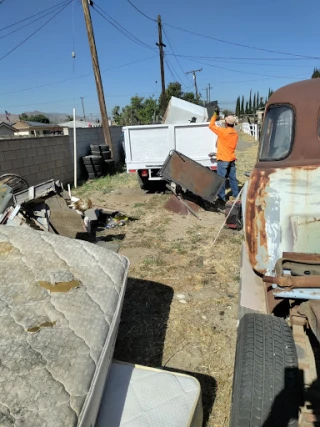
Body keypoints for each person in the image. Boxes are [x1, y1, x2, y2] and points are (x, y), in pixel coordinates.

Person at [208, 109, 239, 206]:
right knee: (233, 179)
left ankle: (222, 199)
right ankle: (236, 196)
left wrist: (215, 114)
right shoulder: (235, 134)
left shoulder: (223, 132)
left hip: (223, 160)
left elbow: (211, 126)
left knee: (221, 180)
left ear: (226, 123)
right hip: (231, 159)